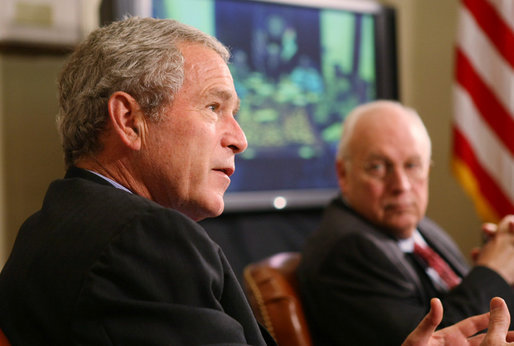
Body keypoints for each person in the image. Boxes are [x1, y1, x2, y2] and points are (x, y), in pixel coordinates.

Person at [0, 17, 510, 346]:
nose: (240, 139)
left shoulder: (46, 225)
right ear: (130, 121)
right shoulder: (143, 240)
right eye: (214, 107)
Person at [297, 100, 514, 345]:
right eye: (378, 167)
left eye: (412, 165)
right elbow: (434, 340)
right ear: (344, 174)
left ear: (428, 170)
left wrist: (505, 269)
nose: (401, 185)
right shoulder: (348, 249)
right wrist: (492, 272)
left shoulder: (422, 229)